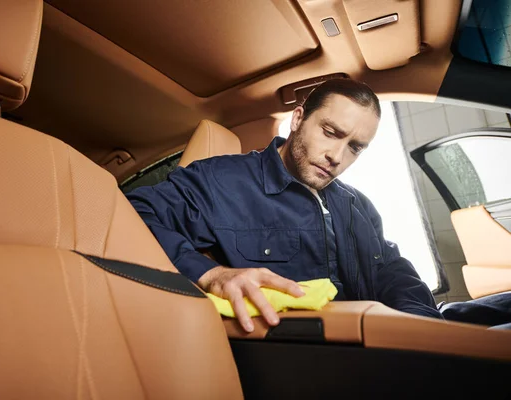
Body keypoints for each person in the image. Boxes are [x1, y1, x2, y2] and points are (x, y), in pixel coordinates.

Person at [127, 78, 441, 332]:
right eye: (330, 133)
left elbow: (391, 270)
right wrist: (210, 274)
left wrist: (421, 326)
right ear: (298, 118)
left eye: (354, 148)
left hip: (375, 347)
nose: (337, 156)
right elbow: (132, 212)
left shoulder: (357, 204)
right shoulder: (221, 181)